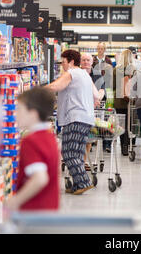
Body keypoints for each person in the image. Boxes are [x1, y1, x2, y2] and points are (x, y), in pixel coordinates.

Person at [46, 50, 98, 195]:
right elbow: (96, 95)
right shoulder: (84, 75)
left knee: (68, 152)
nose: (62, 65)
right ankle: (76, 185)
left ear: (71, 62)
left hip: (75, 118)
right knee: (77, 152)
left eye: (63, 62)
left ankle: (83, 182)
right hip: (85, 118)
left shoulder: (72, 73)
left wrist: (36, 90)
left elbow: (55, 87)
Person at [5, 87, 59, 211]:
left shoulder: (30, 141)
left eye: (19, 109)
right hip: (49, 209)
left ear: (33, 114)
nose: (15, 113)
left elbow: (40, 178)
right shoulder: (49, 136)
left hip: (33, 212)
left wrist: (14, 202)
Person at [81, 52, 106, 167]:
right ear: (80, 62)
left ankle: (84, 161)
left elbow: (102, 90)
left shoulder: (97, 75)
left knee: (89, 136)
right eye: (83, 60)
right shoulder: (76, 73)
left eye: (88, 60)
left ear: (92, 62)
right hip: (79, 109)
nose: (86, 62)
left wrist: (98, 97)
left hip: (92, 109)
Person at [113, 49, 135, 156]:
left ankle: (124, 147)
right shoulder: (134, 70)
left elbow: (112, 86)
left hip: (118, 101)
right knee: (130, 123)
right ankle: (131, 144)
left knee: (122, 125)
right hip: (131, 101)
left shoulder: (116, 69)